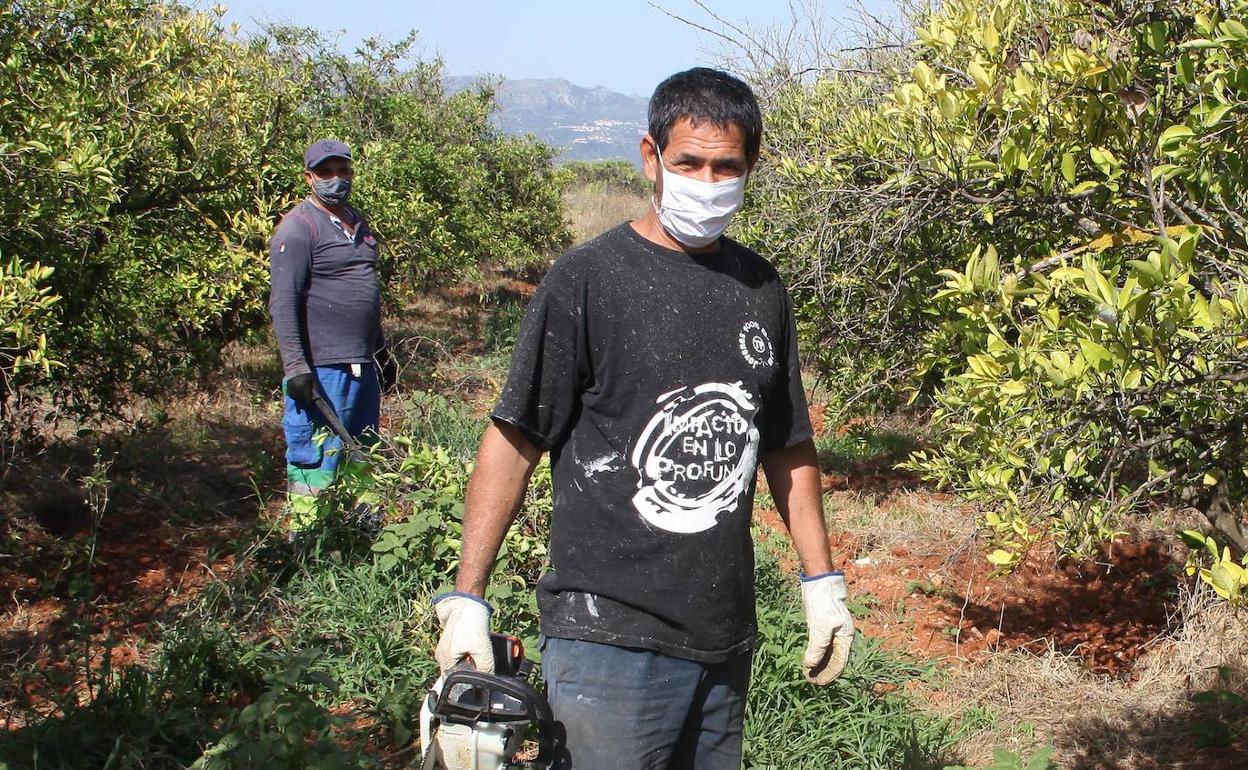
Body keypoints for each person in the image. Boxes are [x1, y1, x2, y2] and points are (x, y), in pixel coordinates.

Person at [432, 68, 854, 769]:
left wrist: (821, 582)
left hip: (722, 634)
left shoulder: (761, 289)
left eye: (727, 166)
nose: (707, 180)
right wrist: (467, 595)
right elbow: (514, 439)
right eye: (689, 161)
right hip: (607, 639)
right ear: (650, 156)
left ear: (752, 167)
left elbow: (785, 444)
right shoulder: (588, 280)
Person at [268, 139, 396, 534]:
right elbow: (283, 302)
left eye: (343, 171)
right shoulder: (298, 228)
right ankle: (309, 541)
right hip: (322, 368)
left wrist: (381, 352)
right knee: (315, 456)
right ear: (309, 178)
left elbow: (363, 294)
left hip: (361, 364)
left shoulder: (357, 223)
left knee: (363, 450)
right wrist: (296, 367)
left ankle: (364, 534)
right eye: (326, 172)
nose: (336, 179)